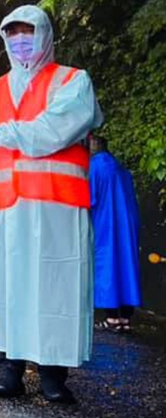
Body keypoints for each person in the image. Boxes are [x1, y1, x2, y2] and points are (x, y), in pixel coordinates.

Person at [0, 5, 102, 404]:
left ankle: (54, 373)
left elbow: (52, 130)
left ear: (45, 35)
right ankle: (10, 365)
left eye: (29, 31)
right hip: (9, 207)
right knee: (9, 286)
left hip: (57, 206)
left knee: (57, 288)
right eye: (14, 32)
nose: (21, 39)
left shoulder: (73, 82)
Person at [88, 135, 142, 333]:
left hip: (105, 223)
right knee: (127, 265)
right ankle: (126, 317)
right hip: (127, 222)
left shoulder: (95, 167)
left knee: (106, 265)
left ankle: (111, 317)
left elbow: (89, 198)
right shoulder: (121, 169)